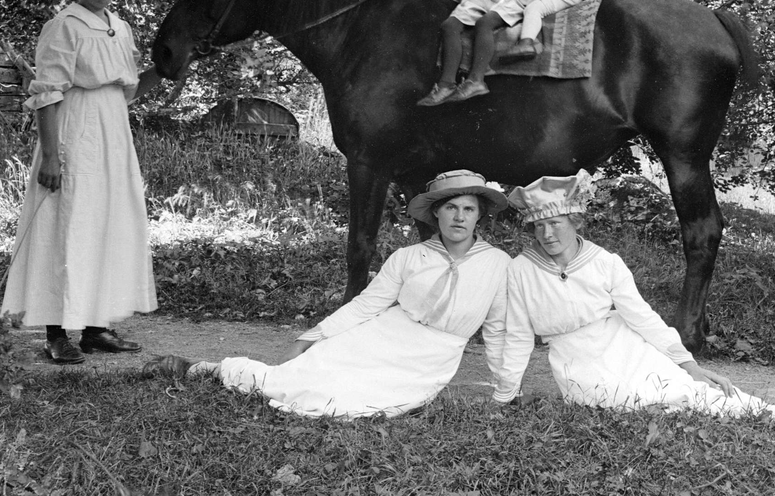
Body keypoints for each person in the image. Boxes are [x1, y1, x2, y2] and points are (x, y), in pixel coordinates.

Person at [143, 170, 511, 419]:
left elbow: (497, 329)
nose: (459, 217)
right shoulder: (409, 256)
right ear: (436, 214)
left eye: (468, 209)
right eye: (451, 208)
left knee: (352, 404)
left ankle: (224, 372)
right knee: (294, 380)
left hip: (431, 357)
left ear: (479, 216)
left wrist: (505, 391)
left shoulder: (497, 264)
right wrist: (309, 337)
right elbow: (367, 305)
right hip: (383, 336)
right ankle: (205, 368)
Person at [493, 171, 775, 426]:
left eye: (555, 223)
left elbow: (642, 317)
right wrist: (505, 396)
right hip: (575, 361)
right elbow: (518, 334)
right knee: (632, 402)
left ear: (574, 220)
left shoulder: (604, 262)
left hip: (621, 343)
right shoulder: (521, 269)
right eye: (539, 226)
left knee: (681, 385)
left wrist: (689, 364)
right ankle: (762, 415)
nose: (547, 234)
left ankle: (774, 414)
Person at [1, 0, 162, 365]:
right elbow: (47, 94)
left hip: (113, 136)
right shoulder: (64, 26)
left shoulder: (120, 27)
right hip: (75, 133)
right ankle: (56, 333)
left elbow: (128, 91)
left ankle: (95, 329)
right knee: (66, 224)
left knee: (105, 224)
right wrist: (52, 156)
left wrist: (166, 70)